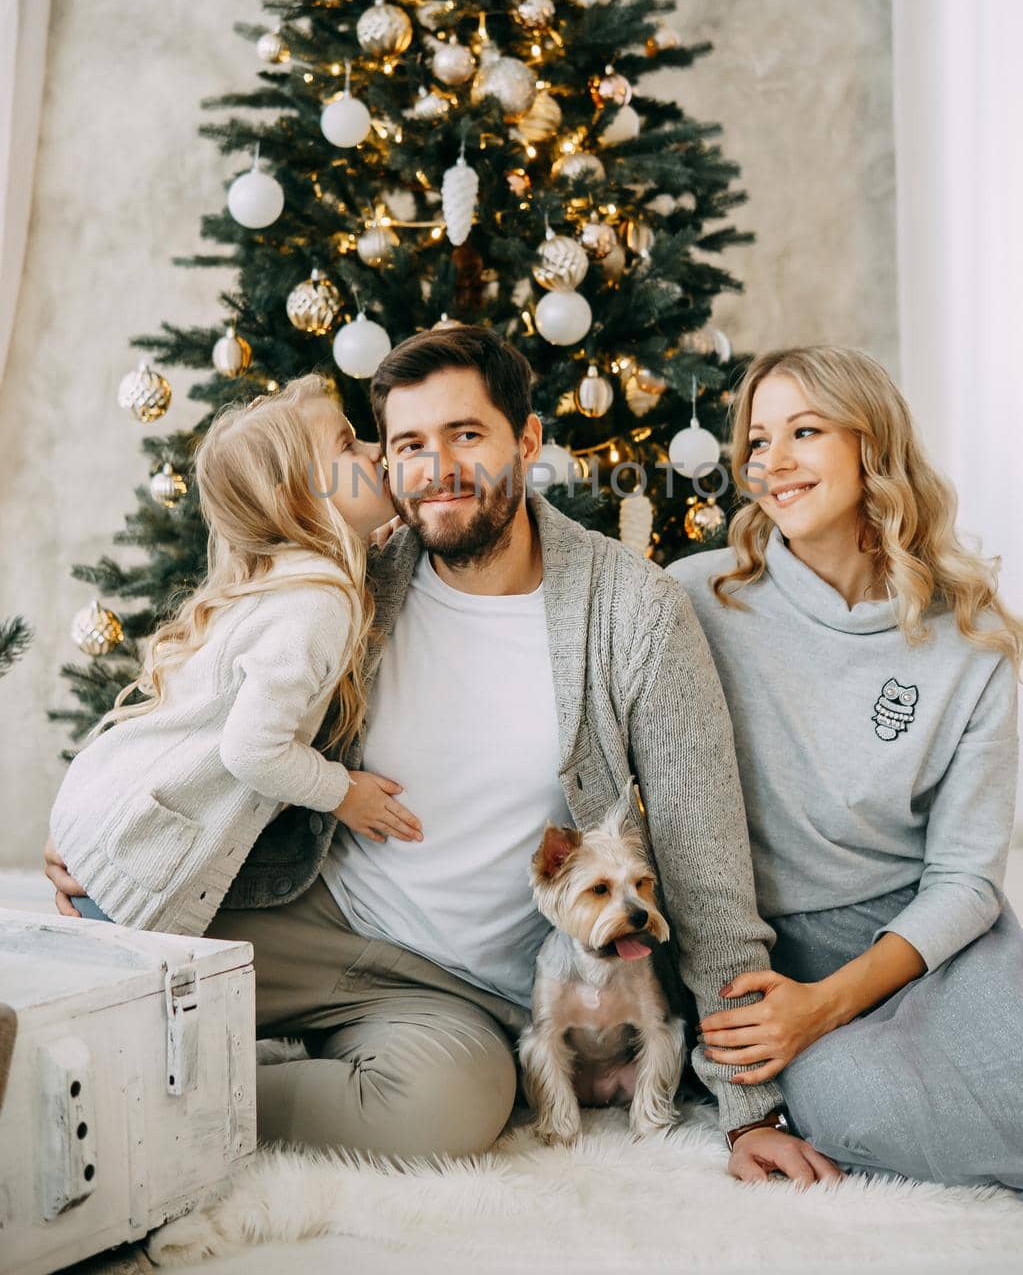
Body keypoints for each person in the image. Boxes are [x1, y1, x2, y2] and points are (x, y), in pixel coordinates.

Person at [47, 325, 837, 1182]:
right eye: (410, 444)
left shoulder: (634, 614)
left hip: (459, 990)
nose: (437, 468)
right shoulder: (353, 576)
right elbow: (205, 702)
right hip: (311, 913)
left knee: (448, 1106)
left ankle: (143, 1106)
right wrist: (114, 828)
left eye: (466, 435)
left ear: (526, 441)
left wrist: (747, 1110)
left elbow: (703, 858)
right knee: (96, 980)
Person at [667, 344, 1023, 1200]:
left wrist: (832, 1004)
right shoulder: (695, 601)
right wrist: (795, 1007)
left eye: (803, 431)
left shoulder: (969, 634)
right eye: (757, 440)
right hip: (784, 946)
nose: (771, 462)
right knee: (859, 1117)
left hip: (929, 937)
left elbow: (964, 878)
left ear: (870, 446)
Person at [47, 373, 414, 935]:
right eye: (347, 444)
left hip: (108, 813)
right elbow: (252, 750)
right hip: (137, 854)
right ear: (298, 497)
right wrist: (341, 792)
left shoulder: (286, 583)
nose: (376, 448)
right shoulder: (315, 605)